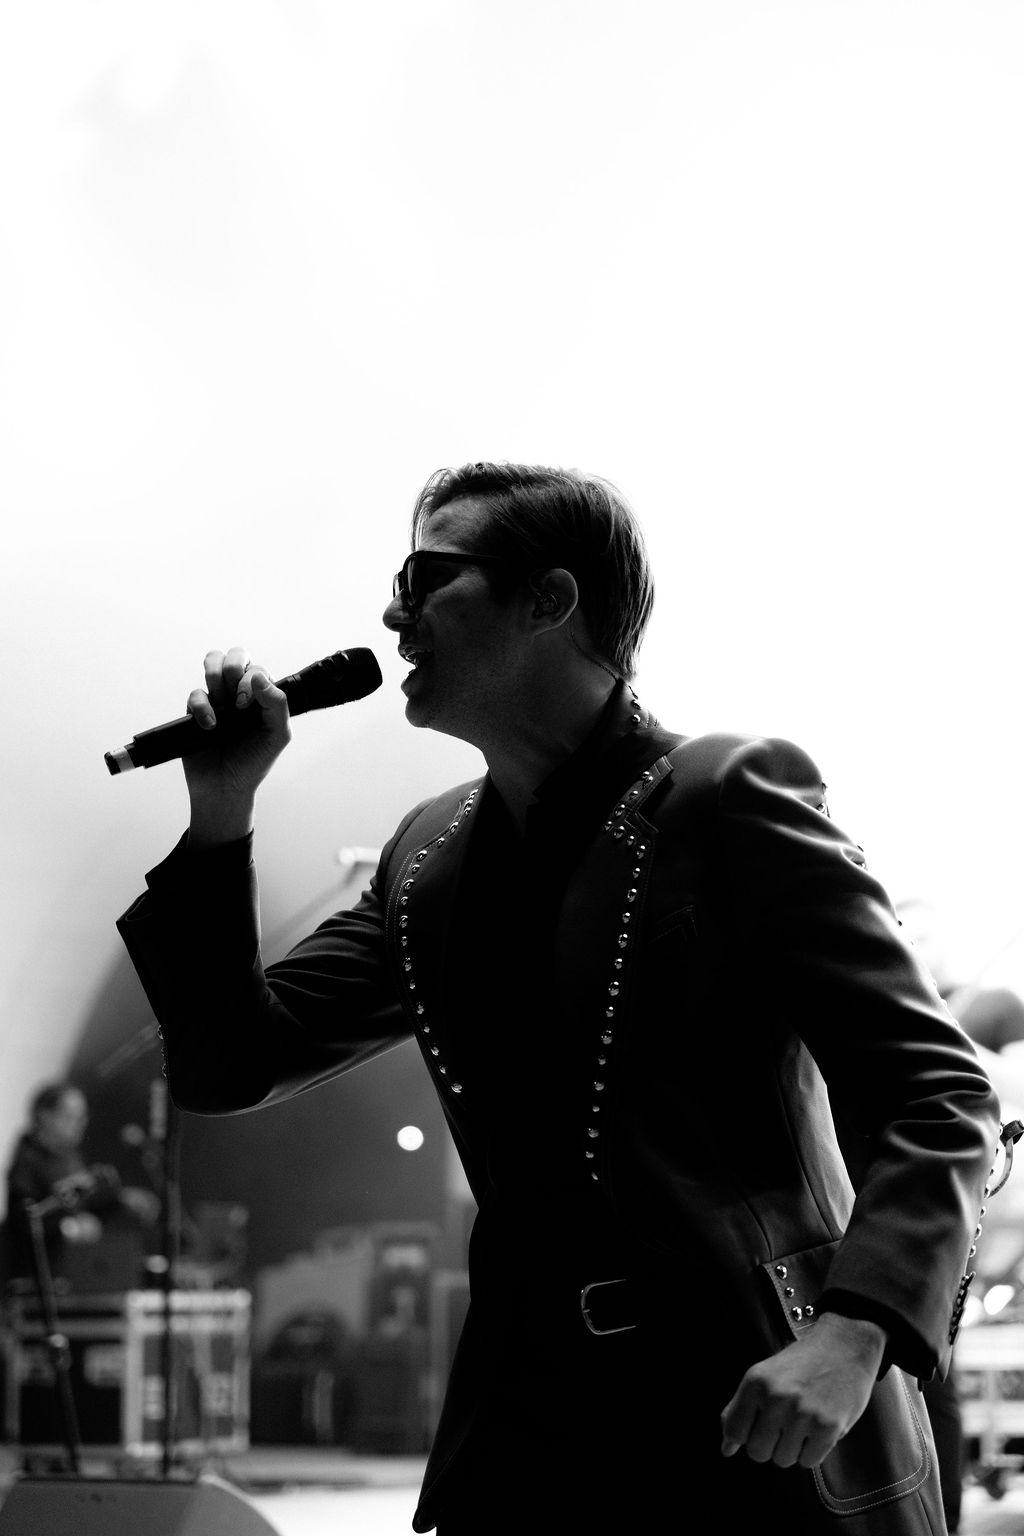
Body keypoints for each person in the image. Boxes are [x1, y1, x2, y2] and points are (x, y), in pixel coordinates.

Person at [116, 462, 1000, 1534]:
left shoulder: (725, 797)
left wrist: (852, 1334)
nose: (393, 613)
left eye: (425, 577)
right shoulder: (428, 857)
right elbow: (228, 1064)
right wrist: (222, 813)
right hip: (530, 1437)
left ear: (550, 599)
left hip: (757, 1412)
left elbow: (939, 1095)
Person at [2, 1081, 158, 1291]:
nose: (79, 1124)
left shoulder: (69, 1158)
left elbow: (85, 1206)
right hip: (35, 1282)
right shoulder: (27, 1161)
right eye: (70, 1116)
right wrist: (68, 1227)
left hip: (75, 1274)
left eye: (82, 1117)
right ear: (45, 1116)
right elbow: (23, 1220)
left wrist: (120, 1199)